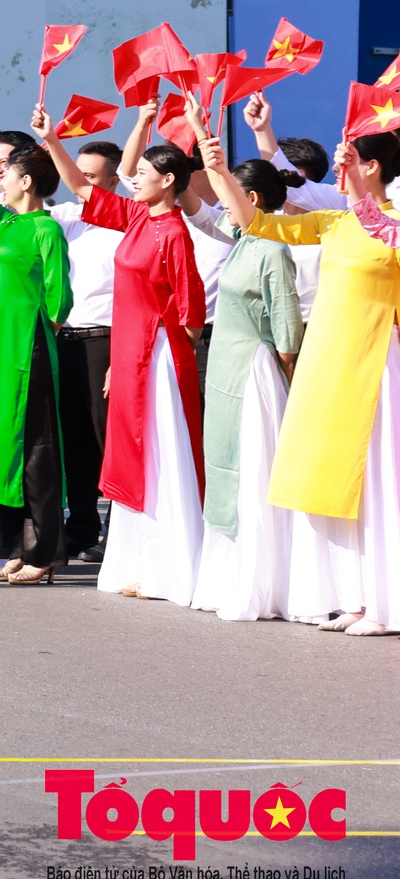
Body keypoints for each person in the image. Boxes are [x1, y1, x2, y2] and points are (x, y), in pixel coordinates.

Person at [205, 129, 400, 635]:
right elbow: (259, 225)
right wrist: (219, 171)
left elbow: (382, 231)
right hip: (330, 363)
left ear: (372, 166)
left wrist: (356, 189)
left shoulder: (391, 223)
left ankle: (385, 603)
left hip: (376, 358)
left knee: (374, 481)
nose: (339, 169)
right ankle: (357, 597)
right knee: (335, 481)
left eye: (349, 159)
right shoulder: (334, 222)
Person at [38, 100, 208, 606]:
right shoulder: (136, 218)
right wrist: (52, 140)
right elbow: (81, 188)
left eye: (145, 175)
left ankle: (169, 565)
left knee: (159, 455)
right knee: (131, 455)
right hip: (130, 356)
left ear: (170, 181)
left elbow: (191, 310)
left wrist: (160, 362)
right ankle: (137, 561)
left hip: (156, 360)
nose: (134, 180)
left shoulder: (175, 232)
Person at [186, 154, 303, 622]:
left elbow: (287, 324)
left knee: (250, 472)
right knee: (223, 465)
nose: (223, 204)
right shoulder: (243, 239)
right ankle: (226, 579)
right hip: (225, 370)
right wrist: (201, 141)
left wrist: (287, 375)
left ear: (250, 199)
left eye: (231, 193)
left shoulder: (273, 249)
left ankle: (262, 582)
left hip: (254, 374)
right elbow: (202, 209)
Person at [0, 127, 74, 585]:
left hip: (29, 347)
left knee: (37, 451)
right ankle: (14, 548)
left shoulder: (46, 229)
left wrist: (32, 334)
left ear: (28, 182)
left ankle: (43, 552)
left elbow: (59, 299)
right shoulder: (4, 223)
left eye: (8, 174)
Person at [53, 137, 126, 564]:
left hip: (106, 341)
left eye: (91, 176)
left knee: (107, 443)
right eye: (76, 172)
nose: (79, 181)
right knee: (75, 443)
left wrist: (119, 358)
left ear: (115, 181)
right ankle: (81, 526)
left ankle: (117, 527)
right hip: (66, 339)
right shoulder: (63, 218)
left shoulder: (126, 221)